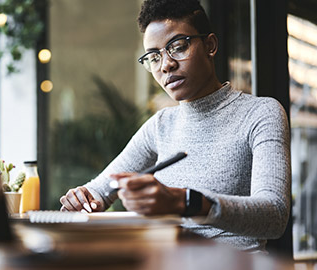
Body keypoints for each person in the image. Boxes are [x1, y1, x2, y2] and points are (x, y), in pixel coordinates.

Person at [59, 0, 290, 252]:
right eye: (154, 57)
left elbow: (275, 215)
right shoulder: (160, 126)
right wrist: (83, 198)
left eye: (178, 47)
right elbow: (100, 191)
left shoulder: (260, 114)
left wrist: (185, 201)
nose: (166, 65)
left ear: (210, 45)